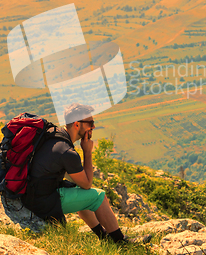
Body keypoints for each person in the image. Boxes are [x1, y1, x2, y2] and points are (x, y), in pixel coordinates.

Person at [21, 102, 127, 243]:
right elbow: (87, 184)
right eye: (90, 122)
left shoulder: (54, 136)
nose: (93, 126)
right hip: (43, 201)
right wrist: (87, 152)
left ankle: (104, 237)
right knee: (98, 196)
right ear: (77, 124)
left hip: (32, 195)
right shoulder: (66, 151)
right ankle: (119, 241)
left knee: (80, 193)